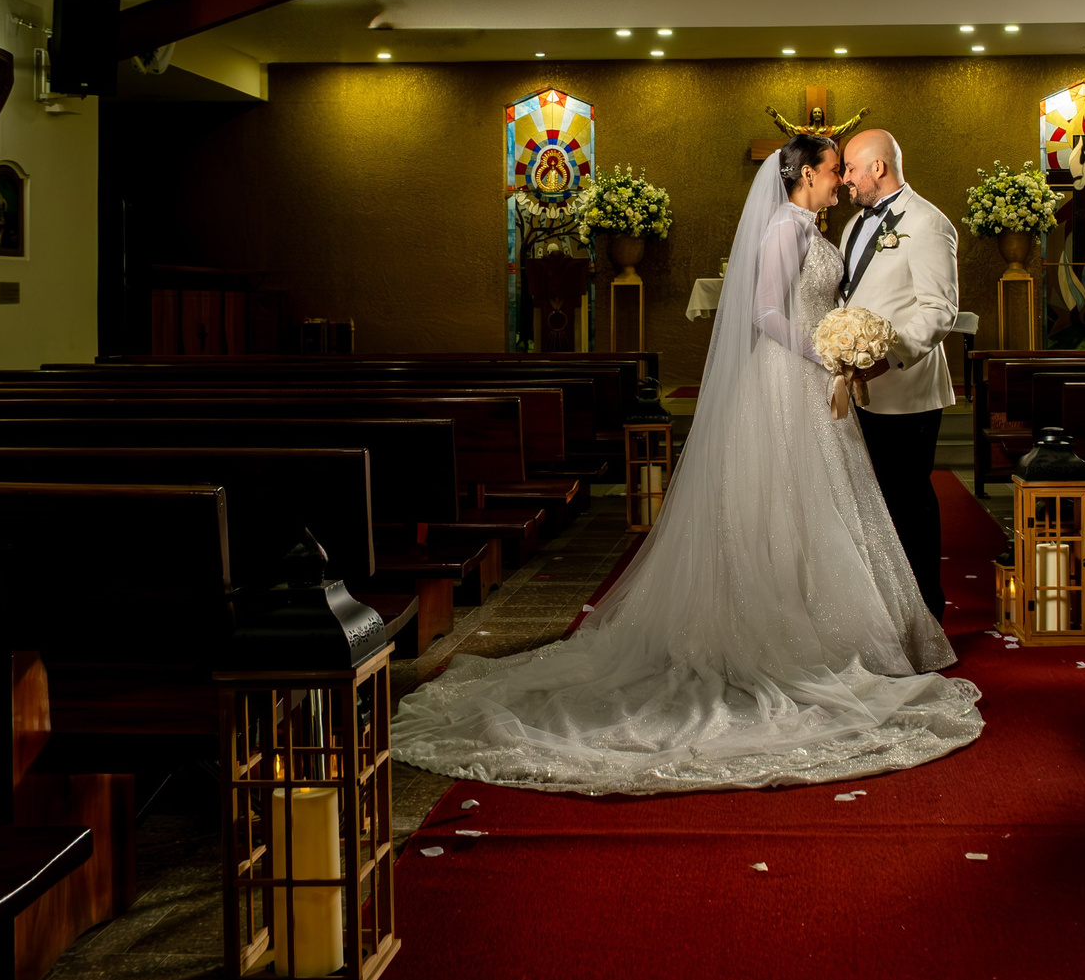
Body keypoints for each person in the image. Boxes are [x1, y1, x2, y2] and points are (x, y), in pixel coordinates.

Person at [393, 135, 983, 793]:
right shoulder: (790, 231)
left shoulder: (841, 227)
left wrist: (848, 349)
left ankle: (846, 623)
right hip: (795, 381)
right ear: (806, 174)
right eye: (831, 170)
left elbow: (882, 302)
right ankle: (795, 632)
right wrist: (825, 352)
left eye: (847, 170)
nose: (841, 181)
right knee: (788, 502)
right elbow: (765, 312)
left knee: (831, 505)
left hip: (837, 386)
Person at [835, 128, 961, 621]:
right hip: (858, 391)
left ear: (878, 169)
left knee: (908, 503)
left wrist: (888, 356)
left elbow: (939, 310)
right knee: (869, 505)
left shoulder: (929, 223)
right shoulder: (851, 227)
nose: (844, 179)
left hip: (906, 392)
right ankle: (884, 610)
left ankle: (926, 612)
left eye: (849, 168)